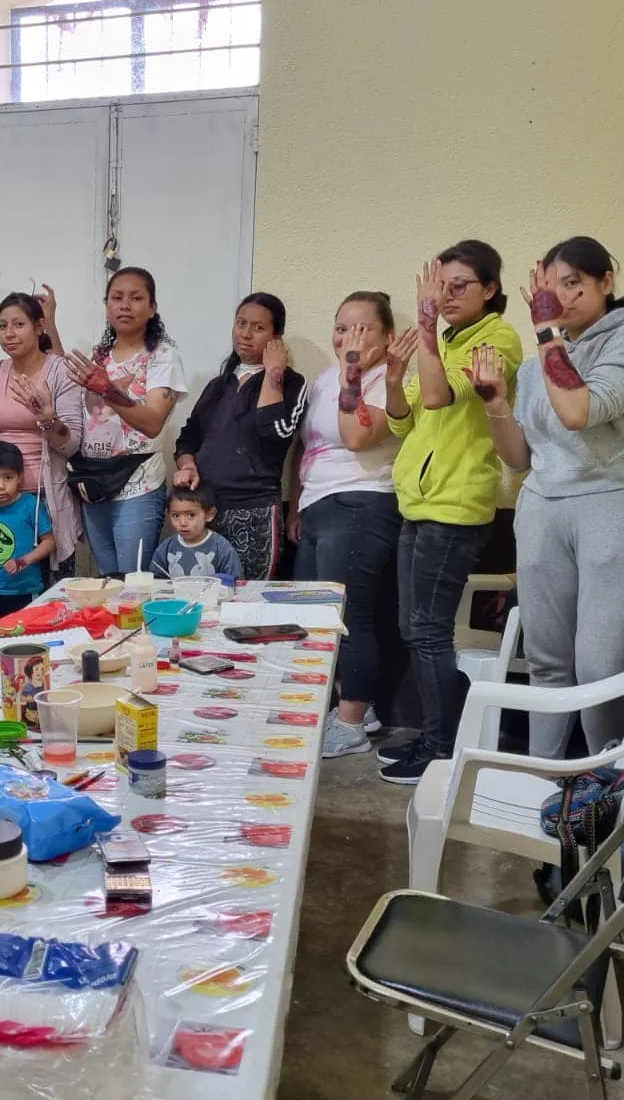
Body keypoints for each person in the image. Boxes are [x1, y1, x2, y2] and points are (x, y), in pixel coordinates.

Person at [469, 237, 624, 758]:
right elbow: (518, 456)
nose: (559, 297)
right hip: (543, 503)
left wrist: (544, 332)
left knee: (602, 668)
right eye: (550, 286)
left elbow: (580, 411)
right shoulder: (544, 359)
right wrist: (495, 402)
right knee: (546, 663)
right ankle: (544, 779)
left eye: (574, 284)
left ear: (608, 281)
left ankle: (603, 791)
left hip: (618, 500)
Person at [377, 242, 523, 785]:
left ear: (489, 289)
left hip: (455, 508)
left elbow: (439, 399)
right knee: (412, 628)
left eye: (459, 285)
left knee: (430, 631)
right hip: (418, 504)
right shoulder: (446, 340)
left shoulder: (496, 339)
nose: (447, 296)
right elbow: (403, 421)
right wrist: (393, 378)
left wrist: (428, 329)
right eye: (441, 287)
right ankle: (438, 735)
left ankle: (443, 748)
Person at [286, 293, 407, 758]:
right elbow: (305, 446)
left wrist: (353, 370)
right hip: (318, 504)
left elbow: (357, 436)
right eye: (341, 328)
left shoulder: (389, 382)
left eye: (361, 329)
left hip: (363, 502)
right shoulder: (323, 380)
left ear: (388, 337)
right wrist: (297, 507)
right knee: (314, 615)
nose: (347, 338)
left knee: (350, 616)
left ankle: (353, 720)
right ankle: (349, 706)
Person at [173, 293, 307, 579]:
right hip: (206, 509)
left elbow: (276, 433)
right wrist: (187, 464)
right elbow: (188, 437)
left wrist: (273, 375)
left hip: (255, 509)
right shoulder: (217, 385)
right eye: (240, 323)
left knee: (250, 600)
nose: (245, 334)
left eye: (258, 328)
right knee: (204, 597)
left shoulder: (292, 383)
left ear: (276, 337)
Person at [64, 268, 187, 576]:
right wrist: (49, 322)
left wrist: (108, 389)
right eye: (116, 298)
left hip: (138, 482)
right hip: (94, 481)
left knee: (133, 582)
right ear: (107, 306)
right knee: (107, 579)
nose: (125, 305)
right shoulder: (99, 356)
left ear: (152, 307)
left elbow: (152, 423)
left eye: (136, 298)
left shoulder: (161, 356)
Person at [0, 293, 84, 579]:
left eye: (18, 324)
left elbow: (72, 444)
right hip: (3, 500)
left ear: (39, 327)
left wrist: (47, 420)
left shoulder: (60, 371)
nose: (9, 334)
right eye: (2, 326)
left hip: (48, 497)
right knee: (7, 586)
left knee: (53, 595)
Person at [0, 442, 54, 622]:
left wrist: (24, 560)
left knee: (23, 641)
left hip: (24, 590)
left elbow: (49, 542)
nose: (1, 485)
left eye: (8, 477)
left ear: (20, 477)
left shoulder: (30, 504)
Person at [153, 485, 243, 580]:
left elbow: (236, 583)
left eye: (191, 515)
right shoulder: (166, 548)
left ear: (209, 515)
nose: (183, 523)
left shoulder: (222, 548)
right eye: (176, 515)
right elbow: (155, 581)